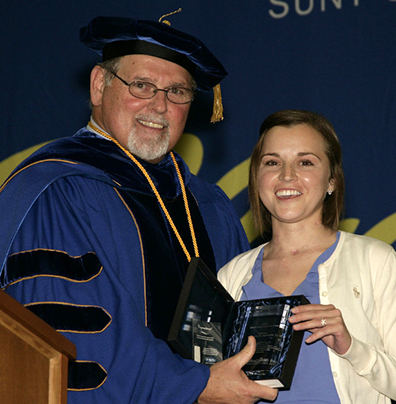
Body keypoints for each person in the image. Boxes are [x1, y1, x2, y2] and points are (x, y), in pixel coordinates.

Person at [0, 15, 278, 404]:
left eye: (178, 91)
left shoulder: (209, 205)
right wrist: (195, 385)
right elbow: (78, 340)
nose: (159, 105)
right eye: (142, 85)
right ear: (100, 86)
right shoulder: (58, 191)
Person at [218, 109, 396, 403]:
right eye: (272, 162)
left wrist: (352, 347)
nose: (287, 175)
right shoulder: (231, 276)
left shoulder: (375, 260)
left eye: (305, 162)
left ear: (331, 181)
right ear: (257, 177)